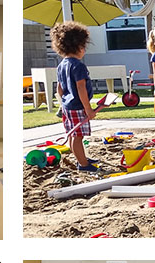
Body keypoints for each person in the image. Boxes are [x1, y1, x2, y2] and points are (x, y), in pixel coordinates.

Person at [50, 21, 97, 171]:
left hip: (68, 106)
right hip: (78, 107)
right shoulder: (78, 65)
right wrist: (88, 109)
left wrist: (64, 102)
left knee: (72, 135)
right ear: (76, 46)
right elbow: (81, 87)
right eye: (83, 45)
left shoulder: (61, 65)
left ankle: (80, 158)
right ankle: (83, 164)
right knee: (78, 137)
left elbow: (59, 88)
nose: (84, 49)